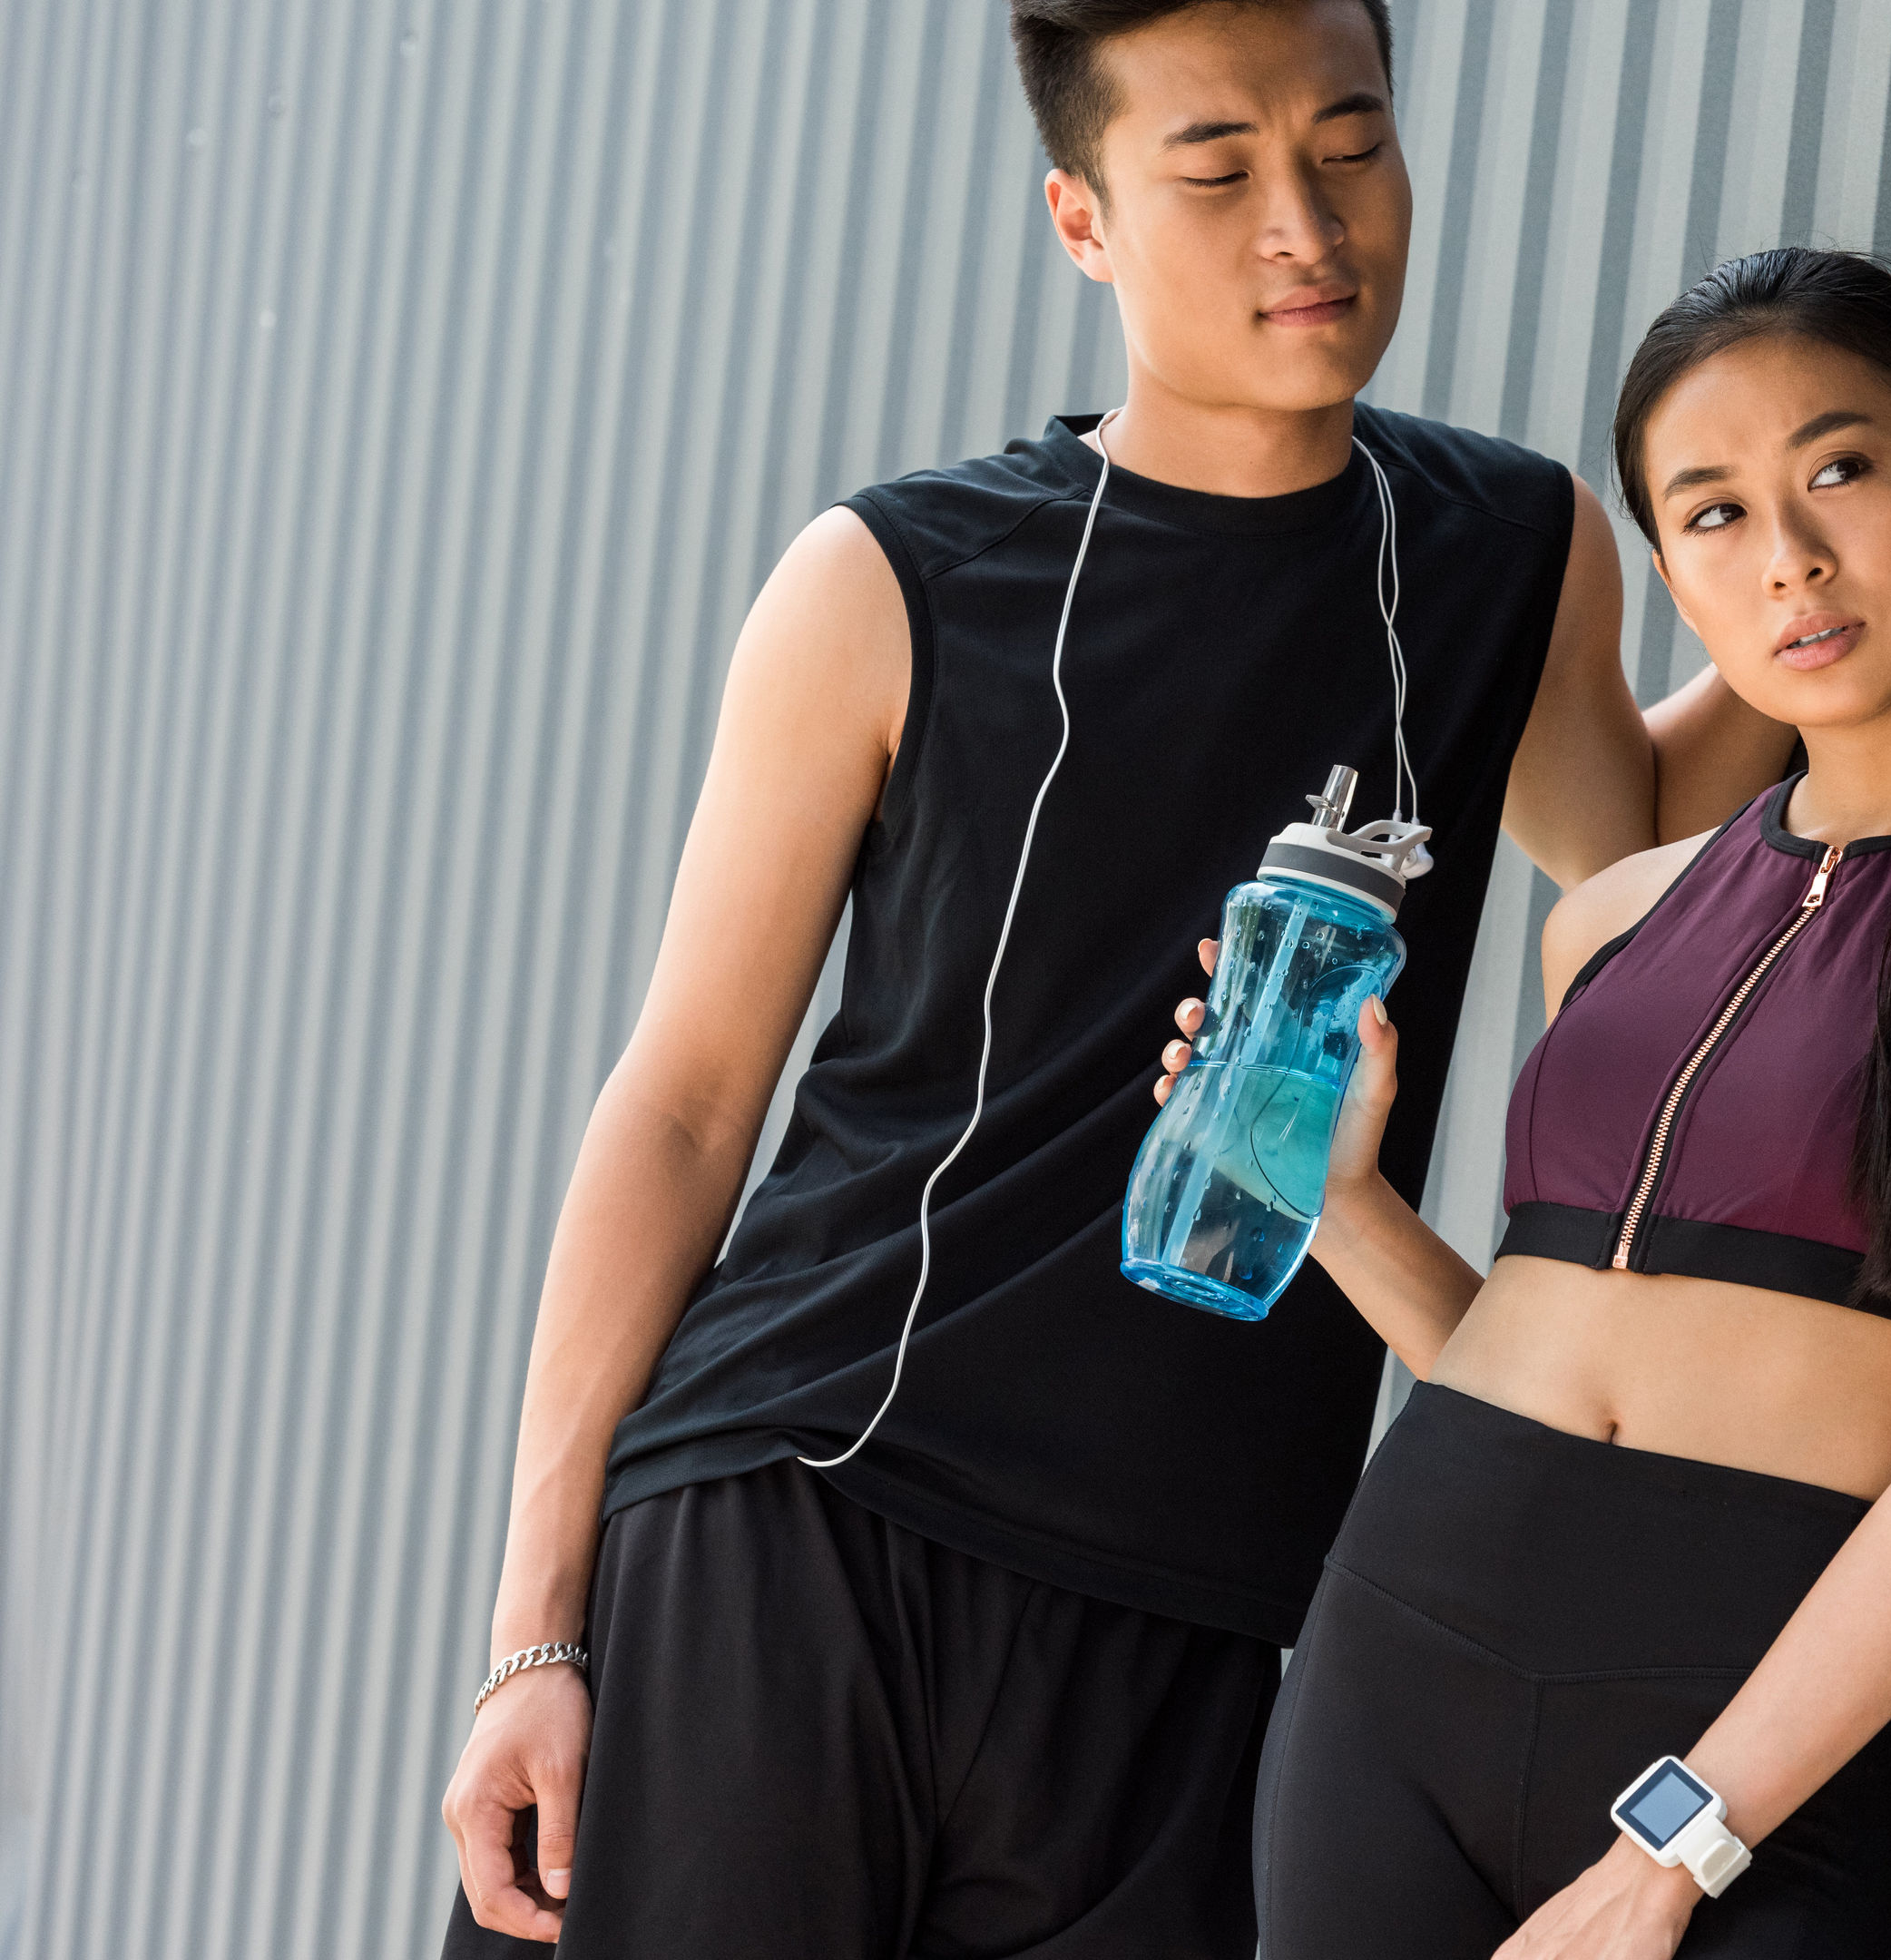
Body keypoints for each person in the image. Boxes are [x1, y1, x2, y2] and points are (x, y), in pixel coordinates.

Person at [436, 3, 1789, 1954]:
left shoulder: (1503, 545)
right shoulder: (894, 582)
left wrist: (1832, 576)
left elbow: (1633, 833)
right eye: (1218, 171)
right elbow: (682, 1105)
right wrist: (535, 1631)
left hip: (1199, 1620)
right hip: (817, 1511)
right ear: (1082, 218)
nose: (1305, 226)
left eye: (1350, 144)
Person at [1156, 247, 1891, 1957]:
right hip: (1397, 1657)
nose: (1789, 555)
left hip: (1743, 1740)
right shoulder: (1621, 915)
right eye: (1715, 515)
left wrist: (1677, 1847)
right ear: (1675, 576)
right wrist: (1340, 1201)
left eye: (1840, 469)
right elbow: (1534, 1356)